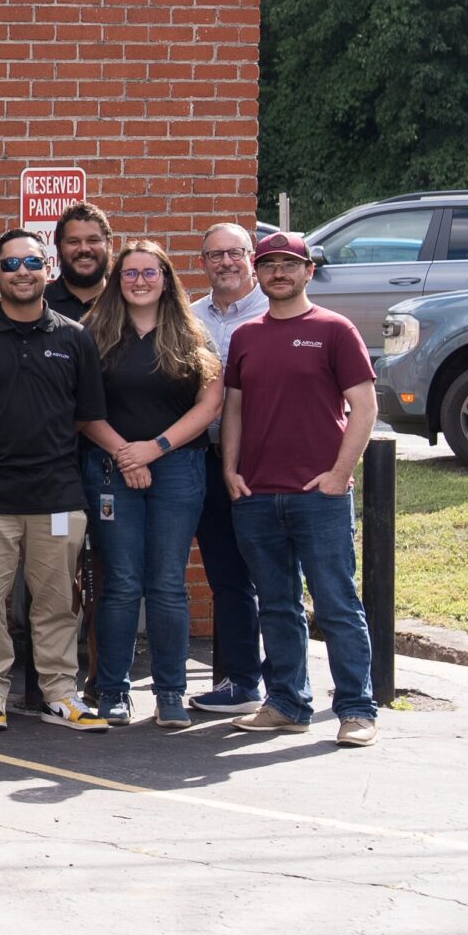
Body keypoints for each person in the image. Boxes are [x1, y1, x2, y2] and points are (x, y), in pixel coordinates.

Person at [0, 229, 108, 732]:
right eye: (10, 265)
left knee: (57, 601)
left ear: (47, 269)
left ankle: (59, 693)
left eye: (31, 262)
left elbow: (85, 414)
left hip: (56, 494)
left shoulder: (75, 338)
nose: (22, 272)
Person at [222, 231, 381, 747]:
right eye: (269, 265)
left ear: (308, 271)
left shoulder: (335, 330)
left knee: (336, 604)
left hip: (320, 496)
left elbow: (365, 407)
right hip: (256, 495)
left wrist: (338, 473)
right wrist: (230, 470)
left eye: (289, 264)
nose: (279, 273)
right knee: (276, 605)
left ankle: (356, 711)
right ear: (257, 273)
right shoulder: (246, 336)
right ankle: (287, 703)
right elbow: (234, 410)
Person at [77, 241, 224, 730]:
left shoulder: (192, 333)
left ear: (166, 279)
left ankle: (170, 693)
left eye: (149, 272)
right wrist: (127, 453)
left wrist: (153, 449)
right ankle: (112, 692)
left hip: (179, 468)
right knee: (121, 583)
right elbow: (82, 409)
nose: (140, 281)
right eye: (130, 273)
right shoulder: (93, 335)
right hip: (110, 468)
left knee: (167, 583)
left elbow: (210, 405)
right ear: (117, 281)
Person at [188, 222, 272, 715]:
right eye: (215, 255)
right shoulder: (190, 317)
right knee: (227, 576)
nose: (225, 263)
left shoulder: (276, 313)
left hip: (263, 462)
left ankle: (287, 685)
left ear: (251, 257)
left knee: (275, 577)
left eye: (235, 253)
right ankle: (240, 683)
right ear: (202, 263)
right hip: (207, 458)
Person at [47, 201, 113, 322]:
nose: (84, 249)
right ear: (58, 248)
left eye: (93, 240)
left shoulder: (124, 300)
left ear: (109, 245)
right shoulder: (39, 304)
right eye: (73, 242)